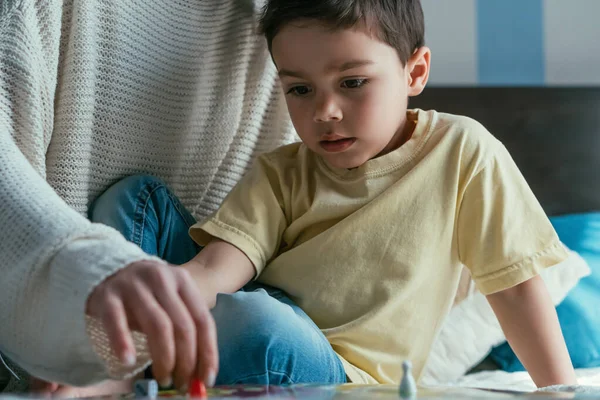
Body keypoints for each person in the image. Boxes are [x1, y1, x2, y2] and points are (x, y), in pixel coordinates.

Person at [80, 0, 579, 394]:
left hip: (336, 373)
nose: (325, 111)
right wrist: (132, 324)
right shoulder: (282, 172)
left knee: (257, 323)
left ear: (415, 72)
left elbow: (513, 288)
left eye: (353, 82)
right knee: (134, 200)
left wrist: (561, 392)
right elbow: (214, 273)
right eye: (300, 90)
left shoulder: (463, 152)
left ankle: (158, 361)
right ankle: (137, 359)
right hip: (240, 317)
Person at [0, 0, 296, 394]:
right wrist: (86, 265)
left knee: (265, 328)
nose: (327, 111)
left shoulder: (293, 28)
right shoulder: (37, 11)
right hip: (55, 354)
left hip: (241, 352)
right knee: (136, 200)